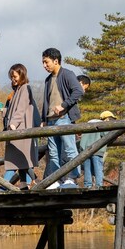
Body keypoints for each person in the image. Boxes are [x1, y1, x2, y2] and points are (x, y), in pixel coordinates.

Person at [40, 48, 84, 189]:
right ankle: (56, 180)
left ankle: (72, 179)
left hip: (64, 118)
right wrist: (43, 119)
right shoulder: (48, 80)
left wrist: (63, 105)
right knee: (53, 152)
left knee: (70, 149)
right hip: (51, 120)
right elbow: (46, 101)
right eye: (43, 62)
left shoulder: (67, 74)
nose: (44, 65)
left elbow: (78, 91)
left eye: (46, 62)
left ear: (56, 60)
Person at [1, 64, 39, 189]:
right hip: (17, 128)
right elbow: (13, 110)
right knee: (21, 160)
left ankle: (3, 187)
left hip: (20, 129)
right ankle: (25, 185)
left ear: (22, 74)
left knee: (16, 161)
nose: (13, 79)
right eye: (11, 77)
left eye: (15, 76)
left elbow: (21, 108)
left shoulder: (25, 88)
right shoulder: (17, 90)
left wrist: (13, 124)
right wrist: (2, 110)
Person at [79, 110, 117, 188]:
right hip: (97, 151)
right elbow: (107, 136)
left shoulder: (88, 124)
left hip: (85, 151)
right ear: (107, 119)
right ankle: (99, 186)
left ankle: (87, 186)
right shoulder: (102, 125)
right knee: (98, 169)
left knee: (87, 170)